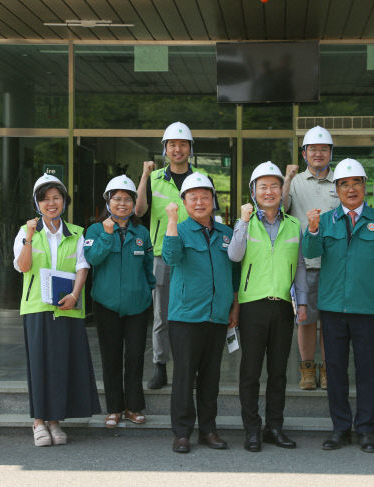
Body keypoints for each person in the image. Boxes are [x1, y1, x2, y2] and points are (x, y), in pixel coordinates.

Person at [303, 158, 374, 452]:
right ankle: (341, 428)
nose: (351, 188)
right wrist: (313, 229)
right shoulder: (326, 220)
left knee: (368, 372)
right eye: (344, 184)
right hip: (332, 309)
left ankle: (367, 430)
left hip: (368, 309)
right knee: (335, 371)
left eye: (356, 182)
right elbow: (310, 252)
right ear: (337, 189)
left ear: (364, 186)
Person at [13, 173, 100, 447]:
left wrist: (75, 295)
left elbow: (82, 267)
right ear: (37, 204)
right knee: (39, 366)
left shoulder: (76, 232)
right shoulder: (26, 232)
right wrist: (28, 236)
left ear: (64, 200)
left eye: (56, 197)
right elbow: (23, 266)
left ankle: (55, 421)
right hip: (37, 307)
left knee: (61, 366)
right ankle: (38, 421)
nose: (51, 203)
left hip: (68, 307)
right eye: (45, 199)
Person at [228, 161, 307, 452]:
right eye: (263, 186)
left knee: (278, 372)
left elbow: (298, 266)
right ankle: (252, 429)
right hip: (252, 306)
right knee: (250, 372)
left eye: (275, 186)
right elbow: (235, 256)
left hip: (283, 307)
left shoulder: (294, 224)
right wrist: (244, 221)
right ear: (253, 192)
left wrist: (303, 302)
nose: (270, 191)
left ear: (282, 190)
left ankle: (274, 426)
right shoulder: (244, 223)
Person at [135, 122, 217, 390]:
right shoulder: (155, 177)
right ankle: (160, 365)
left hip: (195, 253)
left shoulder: (203, 178)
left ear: (190, 149)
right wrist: (144, 176)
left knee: (191, 314)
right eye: (172, 144)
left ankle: (188, 367)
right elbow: (138, 211)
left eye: (183, 144)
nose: (178, 149)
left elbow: (210, 216)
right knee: (162, 315)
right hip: (162, 253)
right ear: (165, 149)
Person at [162, 173, 239, 454]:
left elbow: (234, 273)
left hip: (217, 316)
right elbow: (170, 258)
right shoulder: (178, 230)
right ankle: (182, 433)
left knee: (210, 377)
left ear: (213, 201)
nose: (199, 202)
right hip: (185, 317)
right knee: (184, 376)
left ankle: (208, 429)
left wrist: (234, 305)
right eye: (192, 197)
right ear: (183, 202)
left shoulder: (226, 233)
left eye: (205, 196)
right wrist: (171, 220)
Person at [84, 175, 155, 428]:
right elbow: (93, 259)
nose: (122, 204)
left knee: (135, 357)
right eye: (117, 199)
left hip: (138, 305)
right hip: (106, 305)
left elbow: (148, 266)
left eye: (127, 199)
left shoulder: (141, 232)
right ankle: (114, 408)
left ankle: (133, 407)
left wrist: (148, 289)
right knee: (111, 356)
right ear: (108, 202)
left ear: (134, 203)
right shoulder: (95, 230)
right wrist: (106, 234)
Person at [282, 126, 340, 390]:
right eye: (313, 149)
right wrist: (285, 179)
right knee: (304, 318)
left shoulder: (341, 180)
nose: (318, 154)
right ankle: (307, 368)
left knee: (329, 320)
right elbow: (281, 209)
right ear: (304, 153)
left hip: (333, 261)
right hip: (303, 261)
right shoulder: (294, 181)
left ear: (331, 153)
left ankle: (328, 369)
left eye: (323, 149)